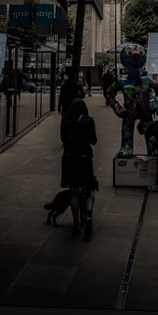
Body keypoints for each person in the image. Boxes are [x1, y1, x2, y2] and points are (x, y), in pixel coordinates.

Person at [60, 97, 98, 237]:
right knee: (89, 188)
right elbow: (93, 141)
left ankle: (76, 224)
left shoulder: (65, 121)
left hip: (69, 159)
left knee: (74, 191)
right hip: (84, 159)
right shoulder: (88, 121)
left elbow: (63, 139)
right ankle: (88, 216)